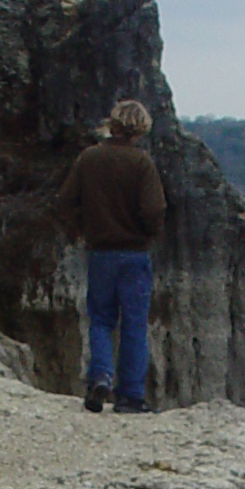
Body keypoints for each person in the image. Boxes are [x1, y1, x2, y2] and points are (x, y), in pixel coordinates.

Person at [56, 99, 166, 413]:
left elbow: (64, 201)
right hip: (134, 254)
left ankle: (100, 376)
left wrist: (78, 229)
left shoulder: (89, 158)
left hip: (100, 252)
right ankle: (130, 396)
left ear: (113, 124)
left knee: (101, 319)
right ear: (140, 129)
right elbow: (155, 209)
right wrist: (148, 232)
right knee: (134, 324)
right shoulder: (142, 163)